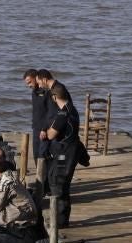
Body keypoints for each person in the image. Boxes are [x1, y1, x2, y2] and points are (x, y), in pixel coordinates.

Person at [42, 82, 81, 227]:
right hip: (70, 151)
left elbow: (52, 134)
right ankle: (62, 219)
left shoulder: (62, 113)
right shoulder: (73, 109)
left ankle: (59, 222)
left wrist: (46, 131)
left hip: (64, 154)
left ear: (54, 97)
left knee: (57, 183)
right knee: (62, 185)